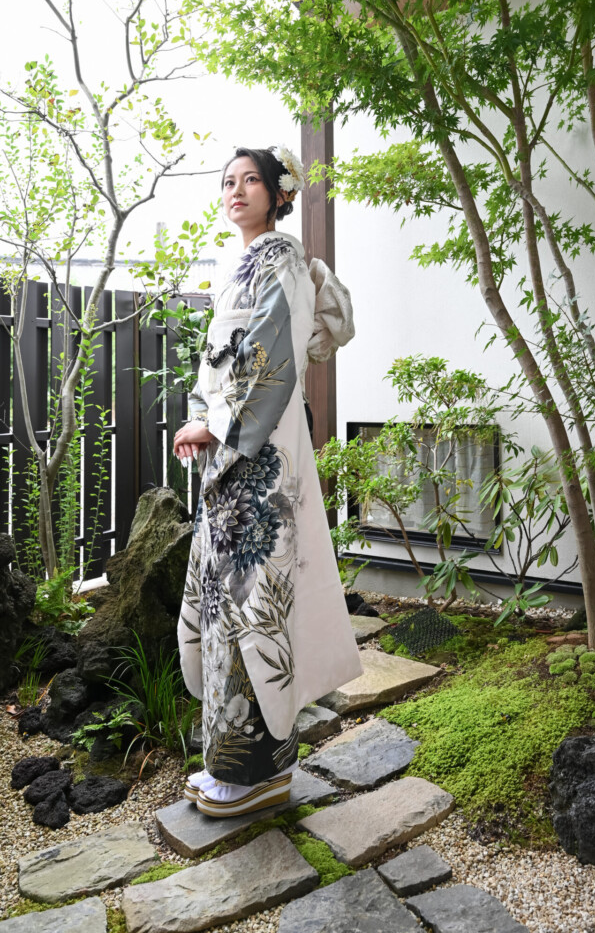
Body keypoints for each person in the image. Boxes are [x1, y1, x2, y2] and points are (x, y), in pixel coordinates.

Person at [172, 145, 361, 818]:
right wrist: (204, 418)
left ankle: (254, 774)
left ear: (279, 194)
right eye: (228, 181)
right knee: (233, 602)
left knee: (254, 604)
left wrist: (214, 426)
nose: (237, 190)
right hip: (237, 451)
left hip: (259, 452)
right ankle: (248, 768)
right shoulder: (244, 264)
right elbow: (225, 362)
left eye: (251, 179)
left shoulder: (278, 257)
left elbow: (270, 358)